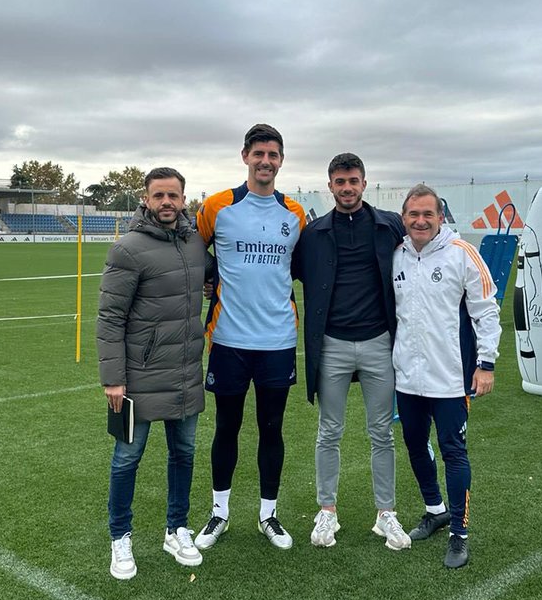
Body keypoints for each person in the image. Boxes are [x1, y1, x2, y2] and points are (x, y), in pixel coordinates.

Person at [195, 124, 306, 550]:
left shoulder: (294, 214)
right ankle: (219, 513)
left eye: (273, 154)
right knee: (227, 427)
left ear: (281, 160)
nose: (266, 161)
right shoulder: (217, 206)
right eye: (258, 153)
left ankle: (268, 515)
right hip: (228, 339)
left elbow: (300, 266)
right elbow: (192, 250)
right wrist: (211, 277)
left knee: (271, 429)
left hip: (278, 341)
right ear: (245, 156)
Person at [293, 153, 411, 550]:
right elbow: (280, 271)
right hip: (332, 345)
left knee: (382, 433)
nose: (347, 188)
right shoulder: (313, 234)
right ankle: (327, 511)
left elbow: (425, 247)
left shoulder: (389, 225)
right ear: (330, 186)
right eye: (340, 182)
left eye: (353, 181)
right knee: (329, 431)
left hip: (380, 342)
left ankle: (386, 514)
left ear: (365, 183)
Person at [97, 166, 208, 579]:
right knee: (127, 459)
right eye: (158, 196)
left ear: (183, 199)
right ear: (145, 199)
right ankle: (120, 538)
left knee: (184, 454)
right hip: (138, 376)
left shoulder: (194, 243)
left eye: (173, 196)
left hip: (184, 373)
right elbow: (110, 317)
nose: (166, 203)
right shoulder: (127, 248)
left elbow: (211, 277)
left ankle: (177, 528)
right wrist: (113, 378)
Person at [392, 183, 501, 568]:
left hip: (452, 378)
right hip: (407, 377)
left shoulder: (462, 254)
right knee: (415, 445)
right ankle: (434, 509)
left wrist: (485, 365)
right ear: (403, 218)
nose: (420, 221)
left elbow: (486, 312)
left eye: (428, 214)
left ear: (441, 217)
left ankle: (459, 531)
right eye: (413, 214)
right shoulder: (398, 255)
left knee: (454, 452)